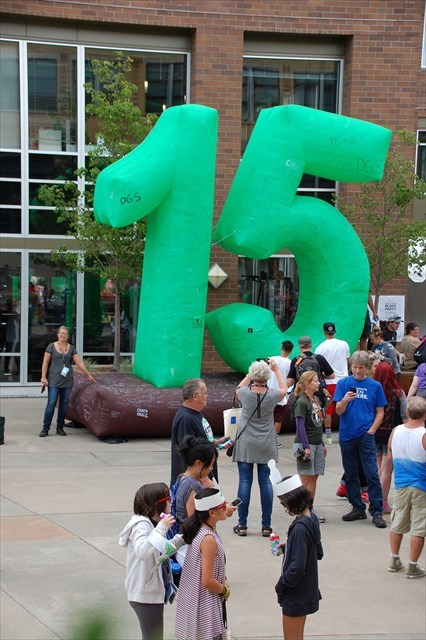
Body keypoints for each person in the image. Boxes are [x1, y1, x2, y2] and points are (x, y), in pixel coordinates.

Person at [118, 482, 185, 640]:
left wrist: (181, 539)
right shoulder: (141, 525)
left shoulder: (152, 524)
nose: (171, 502)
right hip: (144, 594)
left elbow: (160, 550)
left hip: (150, 592)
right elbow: (143, 551)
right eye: (168, 498)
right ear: (157, 505)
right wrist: (162, 528)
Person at [232, 359, 287, 537]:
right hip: (266, 442)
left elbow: (239, 387)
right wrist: (276, 370)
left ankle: (242, 524)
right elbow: (285, 389)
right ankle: (266, 525)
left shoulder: (244, 393)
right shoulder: (273, 395)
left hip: (246, 441)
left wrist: (251, 374)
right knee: (265, 482)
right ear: (267, 377)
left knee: (244, 481)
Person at [334, 350, 388, 528]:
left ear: (367, 368)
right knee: (351, 474)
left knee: (371, 473)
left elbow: (380, 411)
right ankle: (357, 507)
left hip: (366, 435)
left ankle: (377, 510)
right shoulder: (343, 384)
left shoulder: (375, 386)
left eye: (361, 368)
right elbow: (338, 411)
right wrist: (344, 400)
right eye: (355, 367)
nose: (358, 371)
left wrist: (372, 430)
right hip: (347, 435)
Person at [175, 488, 230, 640]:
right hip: (206, 606)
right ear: (212, 513)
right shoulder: (208, 539)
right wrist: (224, 590)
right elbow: (207, 580)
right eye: (223, 506)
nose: (226, 507)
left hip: (199, 604)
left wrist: (224, 579)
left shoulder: (203, 530)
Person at [273, 474, 323, 640]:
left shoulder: (299, 528)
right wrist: (289, 547)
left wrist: (281, 584)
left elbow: (297, 567)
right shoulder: (312, 518)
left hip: (295, 593)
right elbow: (318, 552)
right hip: (306, 590)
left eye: (283, 503)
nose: (284, 507)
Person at [387, 397, 426, 579]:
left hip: (401, 484)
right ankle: (412, 565)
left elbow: (390, 456)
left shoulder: (396, 431)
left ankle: (394, 559)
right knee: (419, 526)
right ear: (425, 415)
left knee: (398, 522)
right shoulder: (423, 435)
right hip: (421, 486)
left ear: (407, 413)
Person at [170, 378, 231, 487]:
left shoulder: (195, 413)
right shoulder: (185, 419)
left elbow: (198, 441)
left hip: (204, 478)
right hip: (196, 483)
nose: (207, 396)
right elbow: (189, 454)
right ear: (195, 396)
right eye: (204, 393)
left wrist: (215, 443)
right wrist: (205, 481)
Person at [39, 325, 96, 437]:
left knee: (64, 405)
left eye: (65, 333)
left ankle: (60, 427)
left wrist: (88, 374)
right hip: (54, 380)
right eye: (61, 333)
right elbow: (45, 362)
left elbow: (79, 362)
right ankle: (45, 428)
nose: (63, 335)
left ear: (68, 336)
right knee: (51, 403)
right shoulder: (51, 346)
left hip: (67, 381)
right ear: (58, 334)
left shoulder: (71, 348)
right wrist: (43, 377)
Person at [292, 371, 327, 522]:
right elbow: (300, 426)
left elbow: (318, 424)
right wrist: (306, 446)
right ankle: (299, 509)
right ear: (307, 384)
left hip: (317, 443)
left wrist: (322, 443)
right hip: (306, 444)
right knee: (305, 478)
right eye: (315, 381)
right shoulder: (302, 402)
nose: (318, 383)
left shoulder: (316, 399)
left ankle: (310, 508)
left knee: (314, 476)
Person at [373, 362, 407, 513]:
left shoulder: (373, 391)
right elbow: (405, 416)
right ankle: (383, 502)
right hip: (392, 435)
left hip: (375, 432)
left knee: (377, 468)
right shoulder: (399, 393)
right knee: (387, 470)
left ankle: (375, 499)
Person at [315, 322, 350, 444]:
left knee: (328, 410)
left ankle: (329, 437)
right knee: (345, 408)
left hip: (329, 382)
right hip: (344, 381)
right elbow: (347, 360)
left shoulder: (320, 348)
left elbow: (319, 366)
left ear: (324, 332)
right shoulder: (344, 344)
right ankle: (345, 433)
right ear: (334, 331)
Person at [174, 436, 218, 531]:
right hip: (192, 538)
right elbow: (196, 523)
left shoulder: (182, 477)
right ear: (198, 463)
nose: (211, 468)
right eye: (210, 464)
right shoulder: (192, 486)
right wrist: (219, 513)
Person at [286, 336, 335, 404]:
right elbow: (332, 376)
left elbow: (289, 382)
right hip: (317, 393)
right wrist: (321, 375)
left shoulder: (296, 360)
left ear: (299, 346)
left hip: (301, 395)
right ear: (311, 345)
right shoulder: (319, 358)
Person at [268, 339, 294, 445]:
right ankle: (274, 440)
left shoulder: (272, 359)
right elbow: (291, 380)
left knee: (268, 416)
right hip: (282, 394)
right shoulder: (290, 363)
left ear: (281, 348)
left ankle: (267, 438)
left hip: (269, 392)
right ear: (291, 351)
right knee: (278, 418)